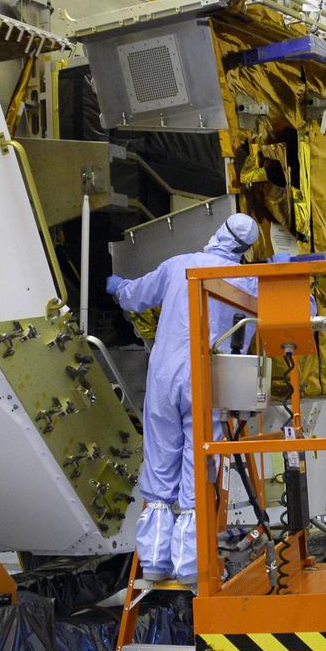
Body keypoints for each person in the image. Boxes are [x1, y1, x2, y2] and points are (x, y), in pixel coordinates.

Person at [105, 213, 260, 584]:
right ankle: (190, 566)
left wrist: (116, 286)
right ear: (245, 249)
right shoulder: (250, 279)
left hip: (163, 379)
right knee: (196, 472)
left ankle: (154, 563)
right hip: (206, 383)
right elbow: (301, 308)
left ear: (218, 232)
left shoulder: (179, 265)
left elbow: (135, 297)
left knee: (159, 468)